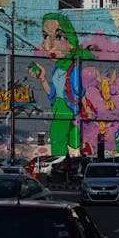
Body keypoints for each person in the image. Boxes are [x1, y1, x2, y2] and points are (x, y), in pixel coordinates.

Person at [27, 13, 96, 156]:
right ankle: (84, 147)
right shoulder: (57, 69)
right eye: (46, 36)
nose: (50, 44)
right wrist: (43, 78)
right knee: (72, 135)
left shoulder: (73, 67)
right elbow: (53, 93)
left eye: (59, 37)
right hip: (58, 106)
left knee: (57, 134)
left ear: (70, 43)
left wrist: (87, 107)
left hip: (67, 106)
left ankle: (59, 163)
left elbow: (79, 90)